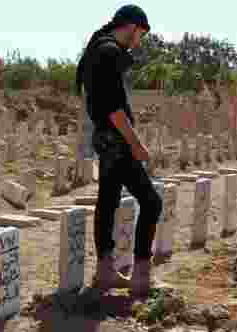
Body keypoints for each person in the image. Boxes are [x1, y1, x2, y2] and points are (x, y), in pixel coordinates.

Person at [76, 5, 163, 296]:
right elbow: (113, 107)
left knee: (109, 202)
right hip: (116, 140)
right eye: (140, 34)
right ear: (131, 26)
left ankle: (105, 272)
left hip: (103, 138)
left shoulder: (96, 49)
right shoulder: (109, 51)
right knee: (151, 202)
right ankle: (141, 274)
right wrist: (136, 144)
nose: (138, 41)